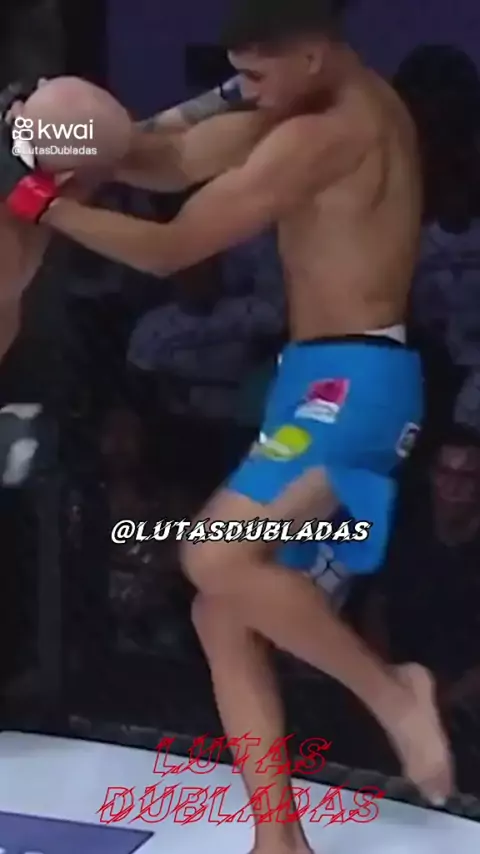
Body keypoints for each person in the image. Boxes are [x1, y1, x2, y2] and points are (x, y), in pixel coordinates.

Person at [0, 0, 453, 829]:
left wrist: (39, 202)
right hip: (310, 379)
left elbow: (171, 247)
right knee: (222, 609)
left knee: (215, 556)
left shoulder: (330, 131)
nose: (243, 90)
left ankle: (395, 691)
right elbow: (167, 156)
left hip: (358, 383)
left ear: (311, 56)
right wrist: (51, 137)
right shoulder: (297, 95)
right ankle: (277, 839)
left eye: (255, 75)